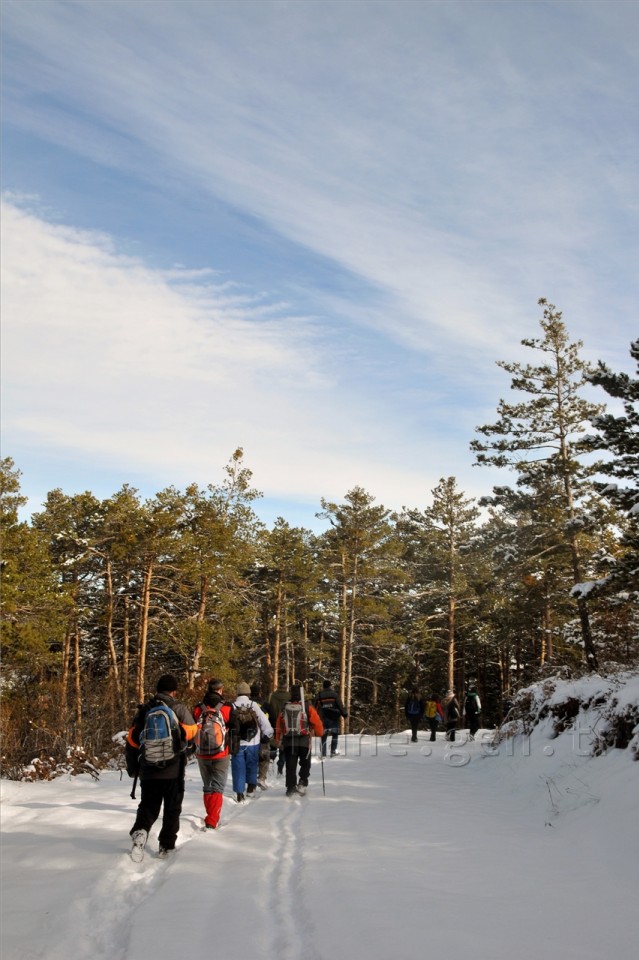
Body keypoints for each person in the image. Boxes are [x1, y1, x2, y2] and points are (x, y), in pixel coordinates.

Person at [125, 674, 197, 860]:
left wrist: (133, 768)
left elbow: (132, 741)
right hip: (173, 769)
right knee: (172, 808)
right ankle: (166, 846)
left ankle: (141, 831)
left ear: (157, 690)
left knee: (148, 806)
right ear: (174, 691)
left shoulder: (145, 710)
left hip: (148, 769)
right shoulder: (178, 708)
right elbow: (192, 731)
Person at [193, 678, 239, 829]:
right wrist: (233, 748)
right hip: (221, 752)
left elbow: (192, 728)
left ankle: (210, 815)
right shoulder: (227, 707)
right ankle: (212, 820)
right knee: (218, 786)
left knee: (208, 785)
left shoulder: (198, 708)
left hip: (202, 753)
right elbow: (235, 729)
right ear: (220, 690)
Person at [275, 684, 323, 797]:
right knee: (305, 763)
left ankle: (290, 787)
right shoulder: (307, 706)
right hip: (304, 742)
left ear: (291, 693)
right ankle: (302, 783)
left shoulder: (285, 707)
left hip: (289, 742)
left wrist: (278, 740)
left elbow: (278, 725)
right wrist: (320, 733)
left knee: (290, 766)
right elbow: (317, 723)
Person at [231, 681, 273, 802]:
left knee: (238, 766)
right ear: (248, 693)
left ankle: (239, 793)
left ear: (238, 693)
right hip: (253, 741)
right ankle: (250, 789)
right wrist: (268, 734)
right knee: (252, 765)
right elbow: (264, 721)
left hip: (237, 742)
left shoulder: (232, 706)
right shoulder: (253, 705)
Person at [314, 680, 347, 757]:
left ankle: (323, 753)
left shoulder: (318, 696)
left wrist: (315, 719)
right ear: (330, 686)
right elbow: (340, 706)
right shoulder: (335, 695)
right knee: (335, 734)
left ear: (323, 686)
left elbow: (314, 708)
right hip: (333, 718)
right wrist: (344, 714)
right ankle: (333, 751)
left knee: (323, 736)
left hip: (322, 718)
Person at [251, 682, 273, 789]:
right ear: (259, 692)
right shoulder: (265, 704)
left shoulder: (247, 704)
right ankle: (261, 778)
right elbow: (271, 718)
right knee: (264, 757)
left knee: (251, 758)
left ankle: (250, 779)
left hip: (249, 736)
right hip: (263, 735)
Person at [268, 680, 291, 775]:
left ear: (278, 686)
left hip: (273, 723)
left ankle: (271, 763)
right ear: (286, 687)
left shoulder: (271, 696)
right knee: (283, 747)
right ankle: (280, 768)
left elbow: (267, 708)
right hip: (285, 725)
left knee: (273, 744)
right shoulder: (289, 696)